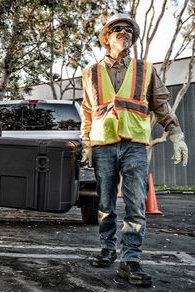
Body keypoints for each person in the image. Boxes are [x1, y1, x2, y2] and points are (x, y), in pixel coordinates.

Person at [80, 13, 188, 286]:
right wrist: (86, 143)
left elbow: (161, 104)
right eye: (117, 28)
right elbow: (88, 112)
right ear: (107, 38)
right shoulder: (90, 73)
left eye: (129, 30)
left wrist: (176, 134)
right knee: (104, 204)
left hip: (135, 146)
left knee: (135, 204)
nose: (124, 31)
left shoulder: (145, 69)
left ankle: (131, 260)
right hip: (103, 145)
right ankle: (107, 248)